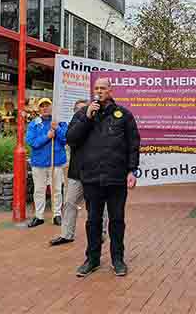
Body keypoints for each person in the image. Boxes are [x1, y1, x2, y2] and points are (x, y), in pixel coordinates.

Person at [67, 78, 140, 278]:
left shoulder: (123, 115)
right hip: (91, 178)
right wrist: (87, 118)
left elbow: (133, 144)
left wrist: (132, 170)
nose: (99, 91)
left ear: (110, 90)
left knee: (117, 220)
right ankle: (92, 259)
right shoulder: (83, 113)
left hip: (116, 178)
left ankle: (118, 259)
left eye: (103, 88)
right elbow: (71, 139)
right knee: (93, 220)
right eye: (96, 88)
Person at [49, 100, 108, 246]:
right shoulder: (75, 124)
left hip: (95, 172)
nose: (82, 111)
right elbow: (70, 140)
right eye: (78, 109)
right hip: (77, 172)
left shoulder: (97, 123)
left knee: (99, 204)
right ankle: (66, 234)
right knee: (69, 202)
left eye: (85, 108)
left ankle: (101, 232)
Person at [26, 98, 68, 228]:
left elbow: (66, 139)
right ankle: (39, 216)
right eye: (42, 106)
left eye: (47, 105)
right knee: (39, 190)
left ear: (52, 107)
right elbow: (32, 142)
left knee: (56, 189)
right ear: (39, 109)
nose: (45, 108)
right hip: (39, 163)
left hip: (56, 162)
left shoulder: (60, 122)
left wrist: (57, 129)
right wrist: (47, 137)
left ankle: (57, 214)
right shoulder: (34, 124)